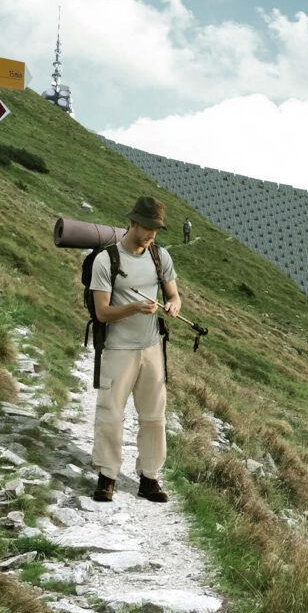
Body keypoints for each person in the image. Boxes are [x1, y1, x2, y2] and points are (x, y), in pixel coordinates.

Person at [88, 196, 181, 503]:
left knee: (154, 415)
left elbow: (174, 295)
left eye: (157, 229)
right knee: (111, 413)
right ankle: (107, 476)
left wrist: (171, 306)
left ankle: (149, 478)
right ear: (132, 222)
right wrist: (134, 307)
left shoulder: (160, 257)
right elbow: (102, 313)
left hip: (152, 347)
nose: (152, 234)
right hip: (117, 348)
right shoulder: (106, 260)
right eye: (148, 228)